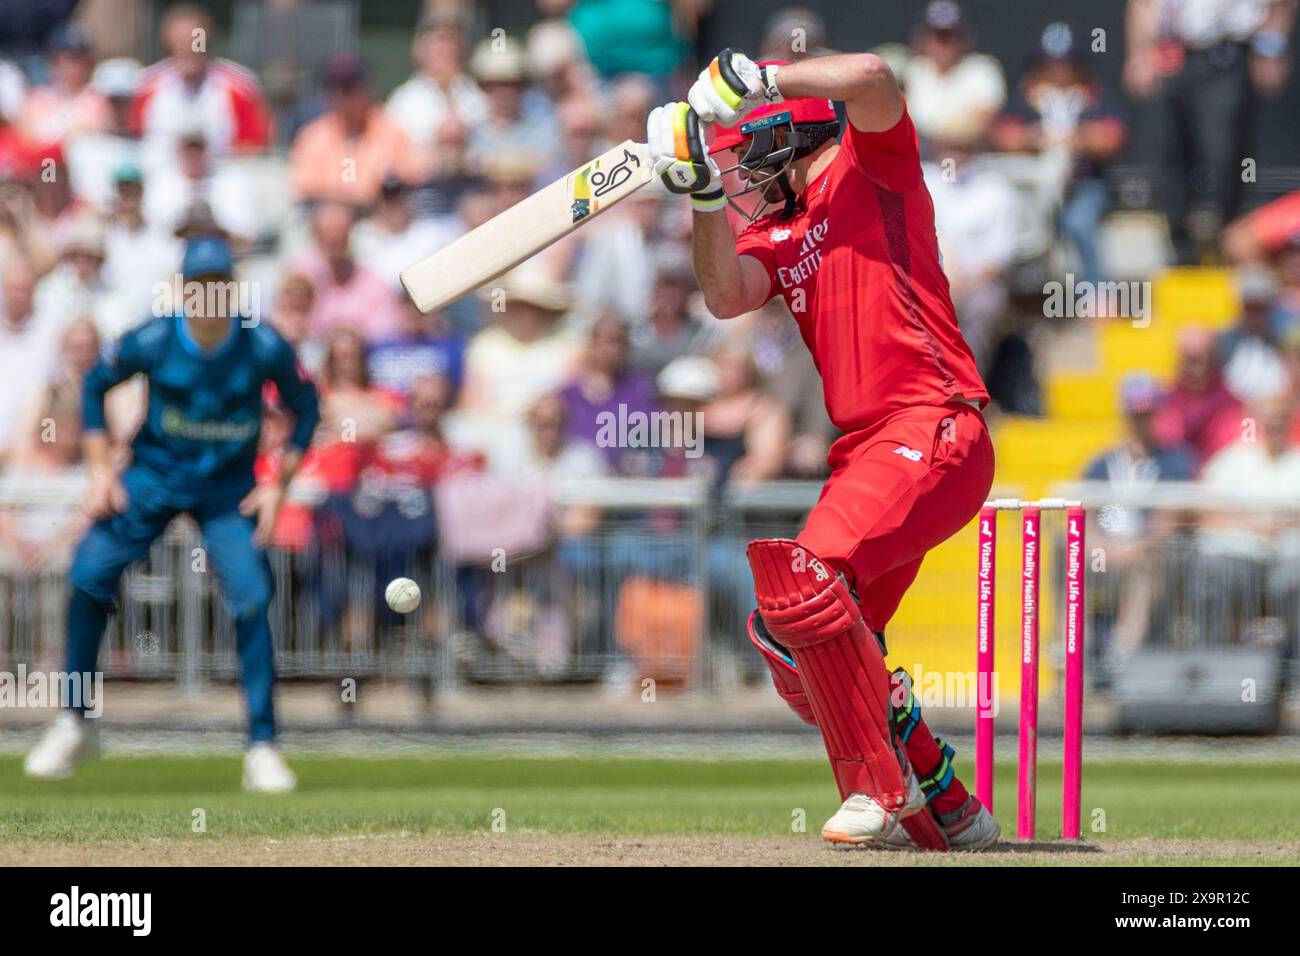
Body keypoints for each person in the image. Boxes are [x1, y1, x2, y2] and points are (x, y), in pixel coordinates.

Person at [648, 49, 998, 850]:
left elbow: (873, 77)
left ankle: (876, 788)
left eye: (744, 161)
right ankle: (946, 803)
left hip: (932, 424)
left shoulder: (872, 171)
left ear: (786, 140)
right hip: (869, 449)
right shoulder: (779, 227)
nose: (742, 178)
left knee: (797, 589)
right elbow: (724, 293)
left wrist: (761, 74)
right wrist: (703, 196)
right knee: (808, 643)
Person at [23, 236, 320, 792]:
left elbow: (306, 406)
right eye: (198, 287)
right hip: (154, 477)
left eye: (218, 286)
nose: (208, 297)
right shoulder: (155, 338)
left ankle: (262, 745)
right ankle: (74, 720)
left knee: (253, 597)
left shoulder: (263, 346)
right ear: (183, 292)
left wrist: (279, 484)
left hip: (228, 487)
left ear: (232, 291)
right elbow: (95, 384)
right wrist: (99, 470)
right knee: (87, 575)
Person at [1124, 0, 1299, 264]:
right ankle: (1179, 248)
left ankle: (1225, 240)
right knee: (1170, 153)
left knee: (1223, 153)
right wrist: (1139, 52)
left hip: (1226, 54)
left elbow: (1281, 4)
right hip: (1170, 52)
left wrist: (1270, 49)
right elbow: (1143, 4)